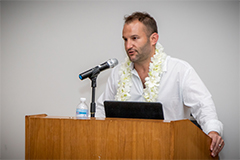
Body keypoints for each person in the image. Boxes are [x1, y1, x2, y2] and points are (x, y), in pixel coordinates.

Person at [95, 11, 224, 157]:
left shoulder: (179, 70)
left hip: (170, 152)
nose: (128, 45)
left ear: (153, 39)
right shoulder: (118, 73)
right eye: (125, 39)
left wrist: (213, 132)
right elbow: (101, 109)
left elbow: (203, 105)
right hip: (126, 152)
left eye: (134, 38)